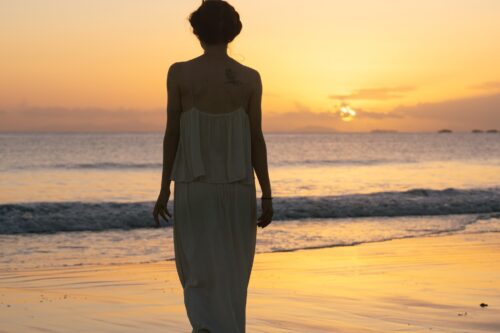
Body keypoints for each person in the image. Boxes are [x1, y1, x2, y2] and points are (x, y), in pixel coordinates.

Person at [153, 0, 273, 331]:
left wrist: (164, 188)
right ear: (234, 31)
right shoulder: (249, 79)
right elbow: (256, 140)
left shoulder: (179, 73)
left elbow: (172, 134)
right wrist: (267, 193)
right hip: (238, 189)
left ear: (196, 30)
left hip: (194, 188)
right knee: (233, 274)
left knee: (197, 272)